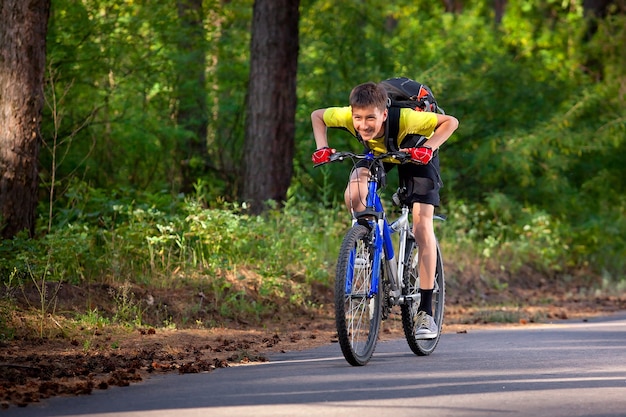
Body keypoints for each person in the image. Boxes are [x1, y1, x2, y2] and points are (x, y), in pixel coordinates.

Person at [311, 81, 459, 339]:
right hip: (378, 153)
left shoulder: (408, 119)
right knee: (354, 192)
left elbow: (450, 122)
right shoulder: (349, 116)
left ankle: (425, 312)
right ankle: (367, 241)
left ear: (384, 114)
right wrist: (322, 147)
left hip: (415, 151)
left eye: (371, 118)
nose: (363, 124)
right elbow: (317, 116)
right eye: (358, 118)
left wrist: (428, 148)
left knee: (421, 223)